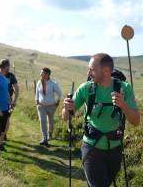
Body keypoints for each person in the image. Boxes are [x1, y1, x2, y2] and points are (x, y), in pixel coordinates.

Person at [62, 53, 140, 187]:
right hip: (92, 147)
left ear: (105, 71)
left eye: (92, 69)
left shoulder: (124, 88)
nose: (88, 72)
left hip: (115, 149)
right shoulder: (86, 88)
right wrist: (67, 108)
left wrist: (124, 105)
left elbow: (136, 121)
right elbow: (65, 117)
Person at [35, 67, 62, 146]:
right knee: (42, 121)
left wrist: (57, 103)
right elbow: (36, 93)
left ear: (47, 74)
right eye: (41, 72)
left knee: (50, 121)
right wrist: (37, 102)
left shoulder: (53, 83)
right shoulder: (39, 82)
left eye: (42, 73)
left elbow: (60, 94)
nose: (40, 74)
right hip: (41, 105)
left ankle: (50, 134)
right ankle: (45, 138)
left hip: (51, 106)